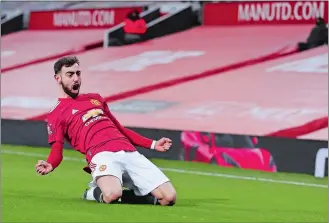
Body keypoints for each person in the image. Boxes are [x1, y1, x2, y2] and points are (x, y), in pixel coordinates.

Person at [35, 56, 177, 206]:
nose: (76, 78)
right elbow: (57, 148)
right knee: (112, 194)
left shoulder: (95, 98)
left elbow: (119, 129)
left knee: (169, 198)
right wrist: (51, 164)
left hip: (128, 151)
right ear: (58, 78)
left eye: (78, 73)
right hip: (100, 154)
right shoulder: (56, 113)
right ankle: (93, 193)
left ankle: (135, 195)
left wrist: (154, 144)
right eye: (70, 75)